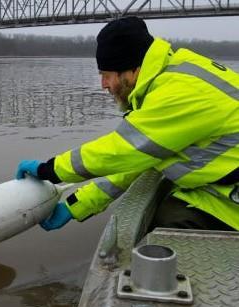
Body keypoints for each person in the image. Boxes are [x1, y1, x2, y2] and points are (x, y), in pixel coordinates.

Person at [16, 16, 239, 232]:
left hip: (228, 198)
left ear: (131, 71)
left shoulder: (178, 93)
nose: (103, 85)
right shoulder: (175, 73)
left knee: (165, 227)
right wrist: (77, 205)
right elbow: (135, 162)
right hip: (221, 190)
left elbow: (120, 151)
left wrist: (50, 169)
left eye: (106, 75)